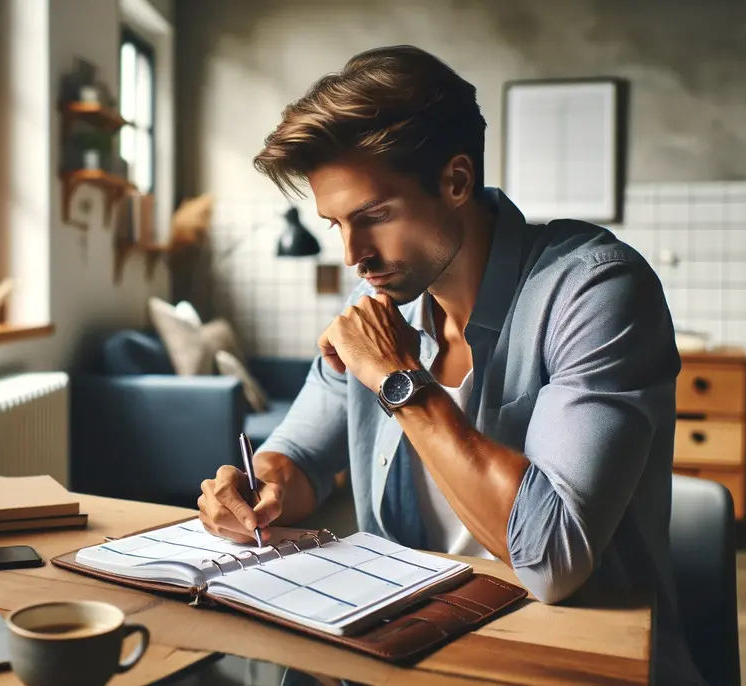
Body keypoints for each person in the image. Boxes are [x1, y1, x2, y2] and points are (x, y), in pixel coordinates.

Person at [195, 46, 705, 685]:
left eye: (374, 216)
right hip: (407, 649)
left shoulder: (596, 291)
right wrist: (258, 486)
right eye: (337, 224)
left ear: (457, 181)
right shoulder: (380, 304)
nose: (354, 254)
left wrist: (398, 379)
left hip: (572, 658)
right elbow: (298, 453)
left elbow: (551, 559)